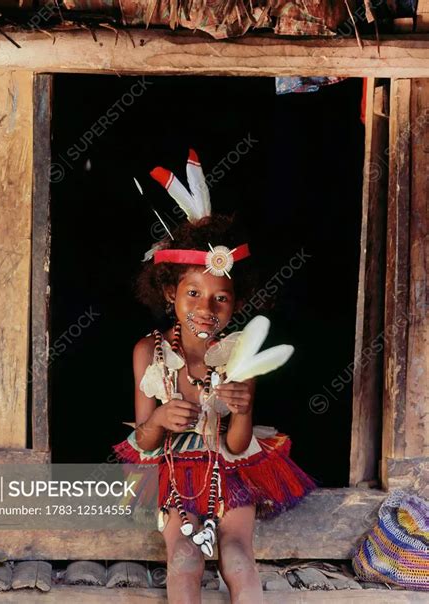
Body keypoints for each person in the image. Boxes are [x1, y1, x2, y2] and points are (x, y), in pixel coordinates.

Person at [113, 150, 318, 603]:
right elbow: (144, 442)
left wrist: (242, 408)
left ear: (237, 302)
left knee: (240, 560)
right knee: (184, 560)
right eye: (192, 293)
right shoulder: (149, 353)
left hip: (231, 473)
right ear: (169, 292)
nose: (205, 309)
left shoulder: (239, 355)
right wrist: (162, 418)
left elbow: (240, 443)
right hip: (172, 472)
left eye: (220, 299)